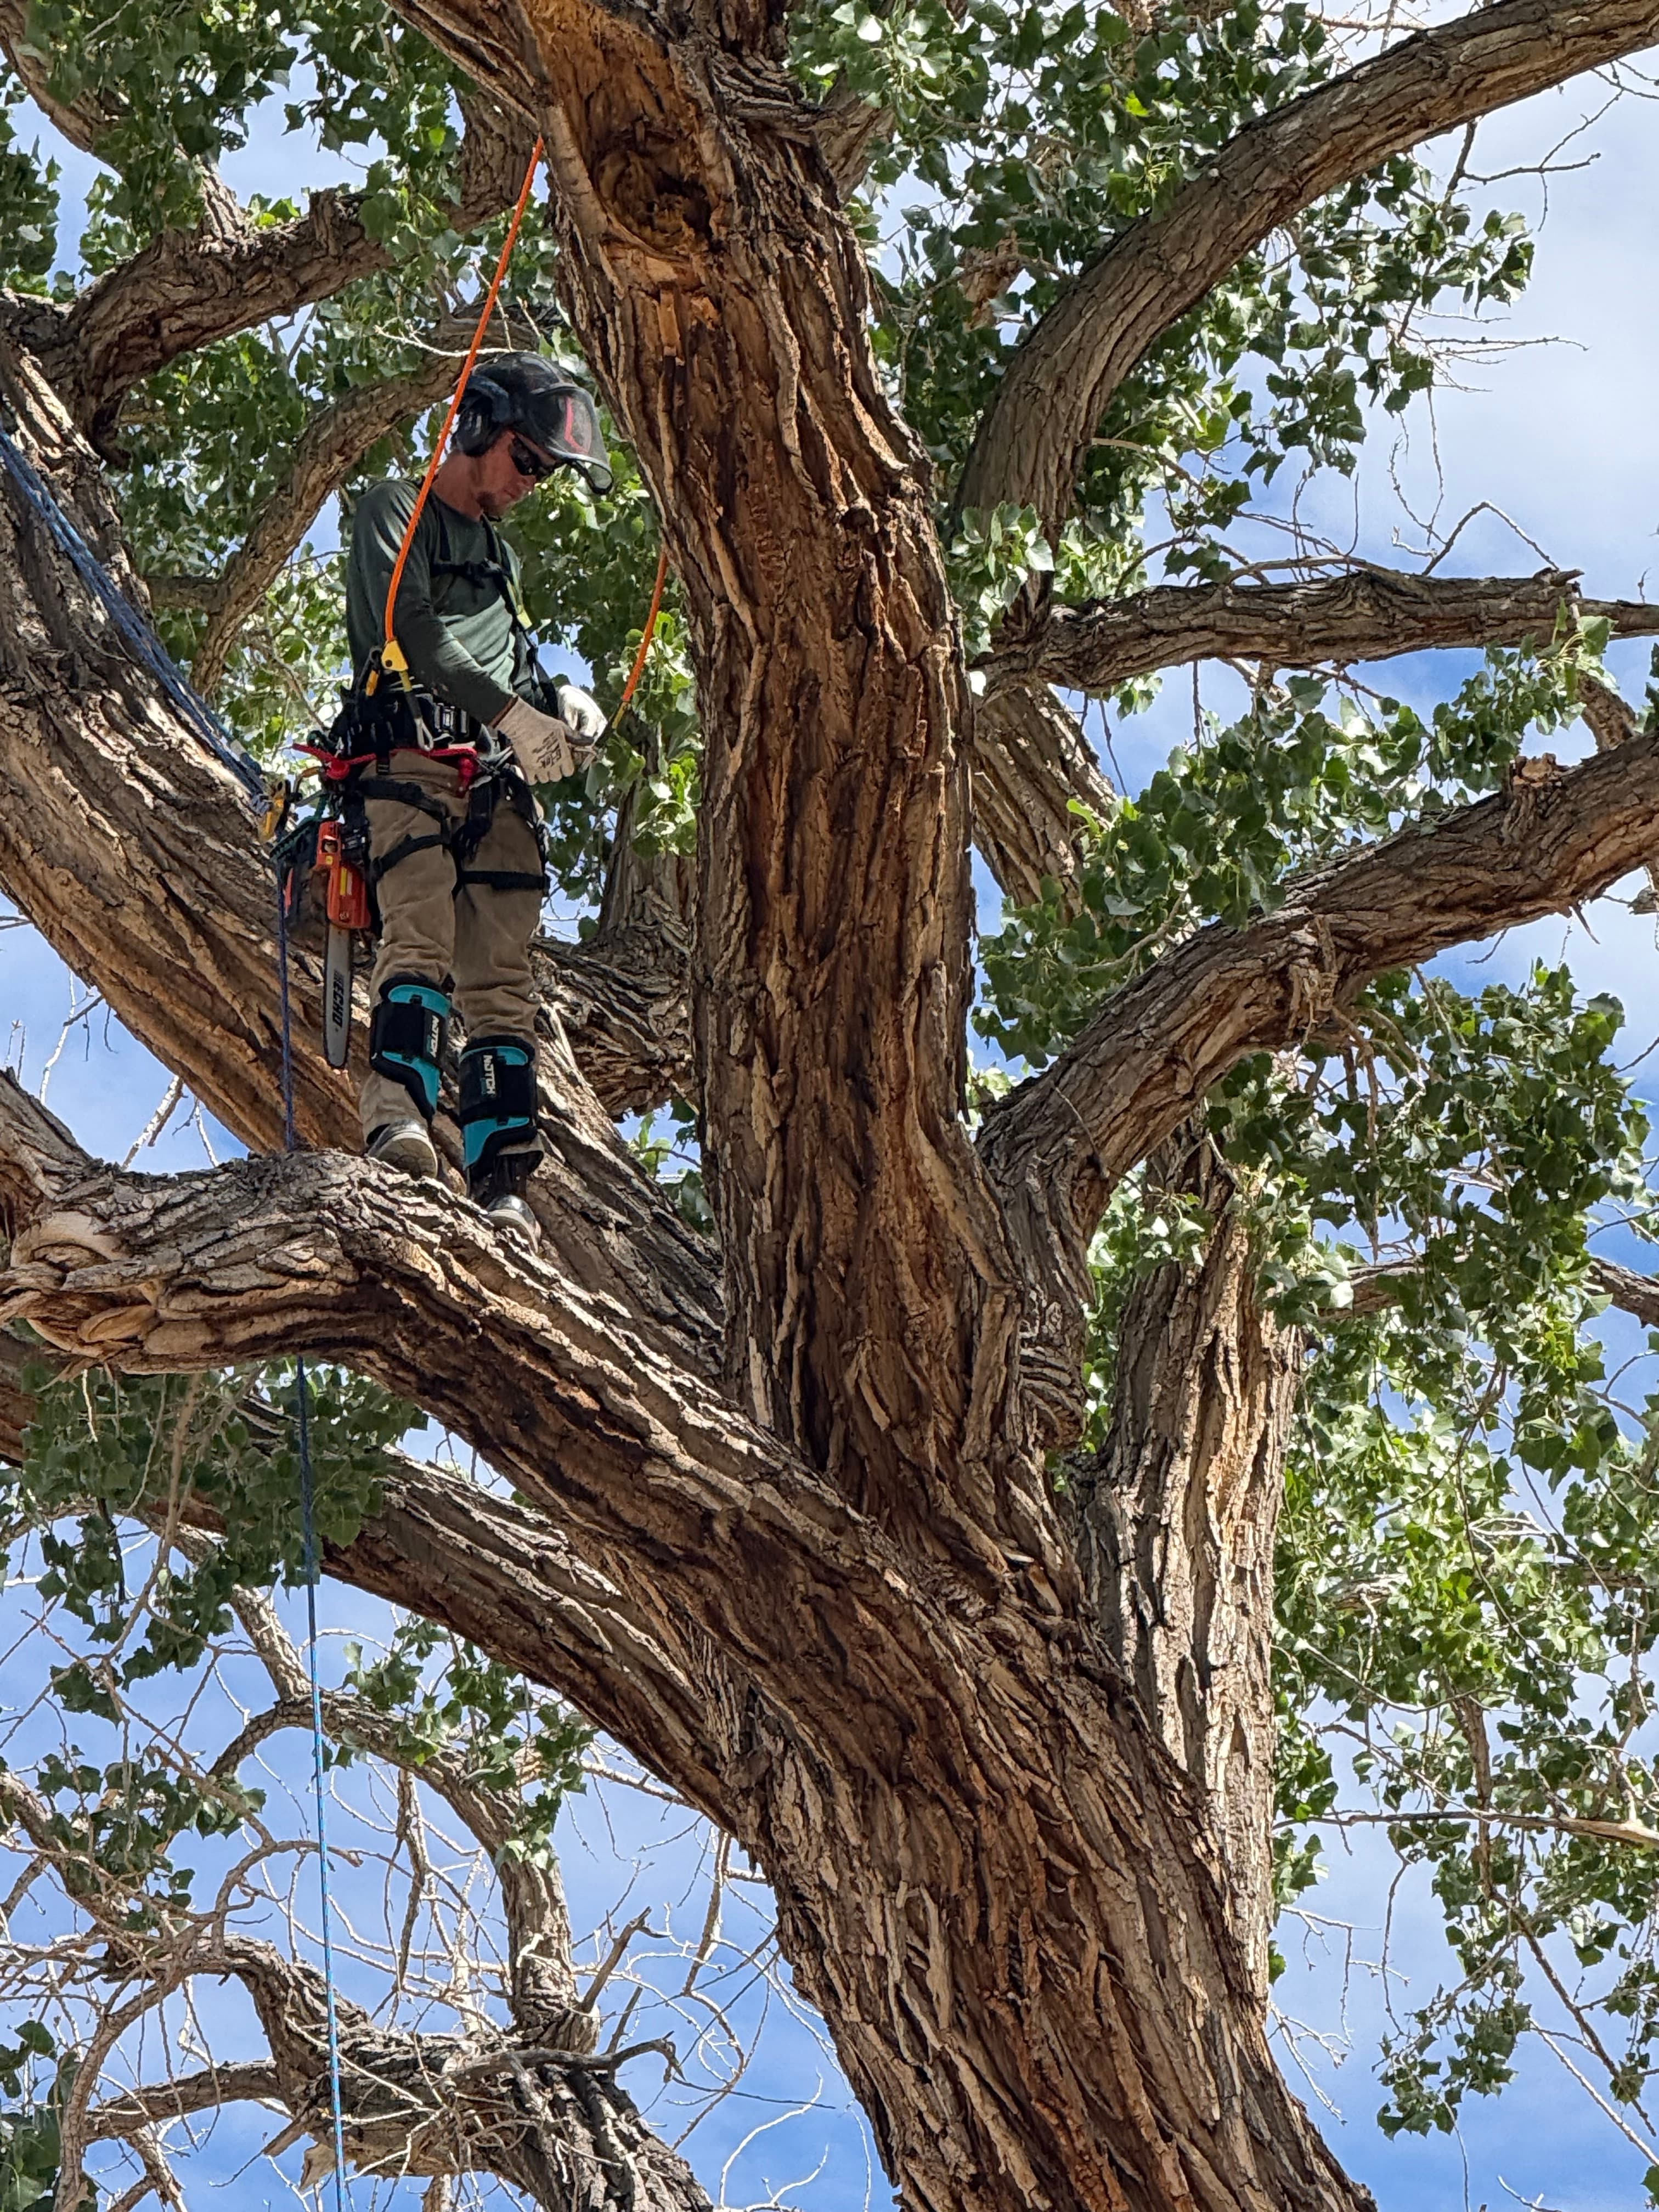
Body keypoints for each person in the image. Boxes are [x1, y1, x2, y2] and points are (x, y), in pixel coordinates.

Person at [337, 352, 611, 1247]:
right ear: (480, 427)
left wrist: (556, 702)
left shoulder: (498, 559)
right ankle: (399, 1121)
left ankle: (501, 1177)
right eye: (526, 461)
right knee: (416, 932)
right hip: (408, 760)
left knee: (502, 985)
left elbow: (511, 659)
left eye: (543, 472)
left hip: (495, 784)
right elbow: (409, 627)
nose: (529, 485)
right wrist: (506, 711)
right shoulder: (396, 508)